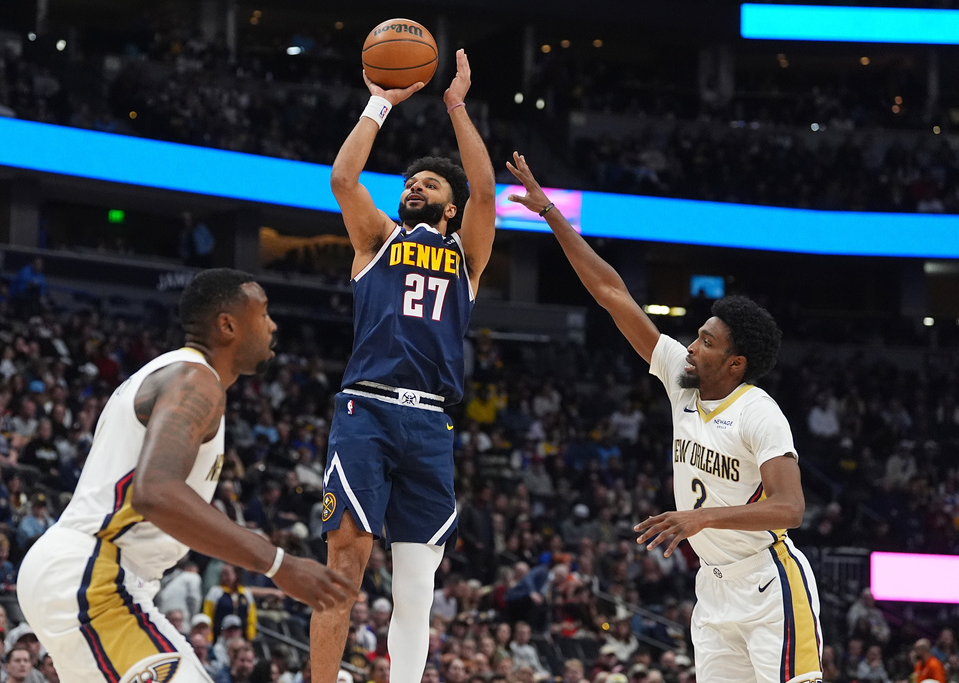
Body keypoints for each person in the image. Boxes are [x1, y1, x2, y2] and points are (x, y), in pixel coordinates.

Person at [506, 152, 822, 683]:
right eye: (696, 336)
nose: (691, 346)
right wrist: (552, 215)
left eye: (706, 341)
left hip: (771, 584)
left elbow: (790, 508)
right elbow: (612, 293)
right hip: (714, 589)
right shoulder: (681, 376)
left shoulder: (759, 412)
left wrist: (702, 519)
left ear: (735, 362)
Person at [17, 269, 352, 683]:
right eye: (263, 312)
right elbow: (154, 492)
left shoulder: (179, 375)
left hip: (93, 577)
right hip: (94, 577)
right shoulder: (196, 380)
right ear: (228, 325)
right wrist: (278, 564)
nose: (273, 324)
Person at [311, 49, 496, 683]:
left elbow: (486, 194)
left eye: (430, 184)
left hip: (431, 424)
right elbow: (342, 179)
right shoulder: (378, 238)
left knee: (418, 581)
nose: (414, 186)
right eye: (410, 182)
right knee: (347, 558)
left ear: (449, 209)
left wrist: (455, 107)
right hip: (368, 408)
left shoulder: (468, 256)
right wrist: (380, 103)